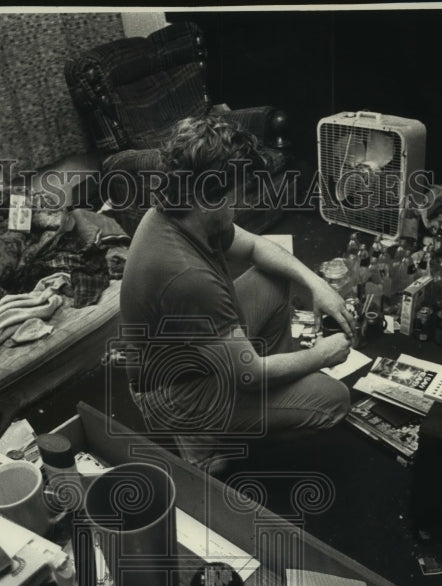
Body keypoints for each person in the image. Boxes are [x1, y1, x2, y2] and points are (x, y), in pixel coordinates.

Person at [119, 115, 354, 468]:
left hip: (197, 356)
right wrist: (322, 355)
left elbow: (258, 247)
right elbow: (251, 373)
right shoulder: (188, 277)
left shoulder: (184, 210)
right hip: (173, 393)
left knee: (274, 275)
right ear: (210, 197)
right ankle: (207, 440)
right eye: (237, 193)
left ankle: (265, 399)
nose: (242, 202)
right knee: (334, 400)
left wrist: (316, 284)